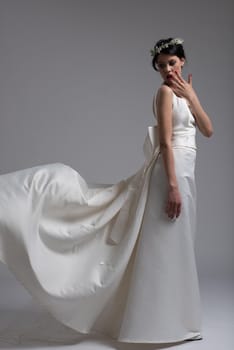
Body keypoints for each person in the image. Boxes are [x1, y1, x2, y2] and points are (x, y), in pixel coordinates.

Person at [0, 37, 213, 344]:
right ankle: (155, 326)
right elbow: (165, 143)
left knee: (177, 244)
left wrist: (193, 96)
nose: (167, 69)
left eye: (172, 62)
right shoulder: (165, 93)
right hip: (170, 173)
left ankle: (176, 322)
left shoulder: (184, 93)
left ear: (183, 61)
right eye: (161, 64)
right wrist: (172, 187)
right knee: (164, 246)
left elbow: (208, 130)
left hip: (184, 171)